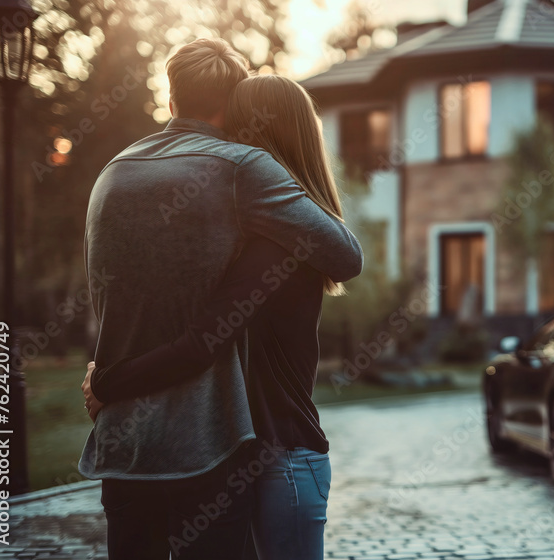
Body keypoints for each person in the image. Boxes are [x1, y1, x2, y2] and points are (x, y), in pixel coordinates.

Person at [80, 39, 362, 560]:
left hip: (123, 443)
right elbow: (344, 256)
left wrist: (106, 380)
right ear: (232, 104)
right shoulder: (242, 166)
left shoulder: (113, 172)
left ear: (171, 100)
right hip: (207, 444)